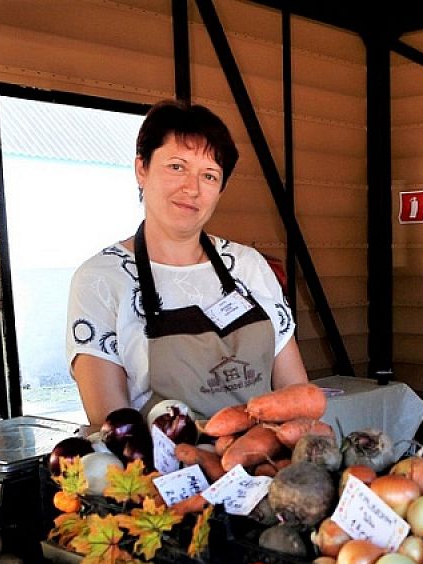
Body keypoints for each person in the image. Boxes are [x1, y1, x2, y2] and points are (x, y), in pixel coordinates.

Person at [66, 99, 308, 426]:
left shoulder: (249, 266)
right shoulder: (101, 279)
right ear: (142, 169)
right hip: (161, 472)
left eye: (209, 175)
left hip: (262, 465)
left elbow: (296, 392)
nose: (191, 188)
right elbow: (114, 426)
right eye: (176, 167)